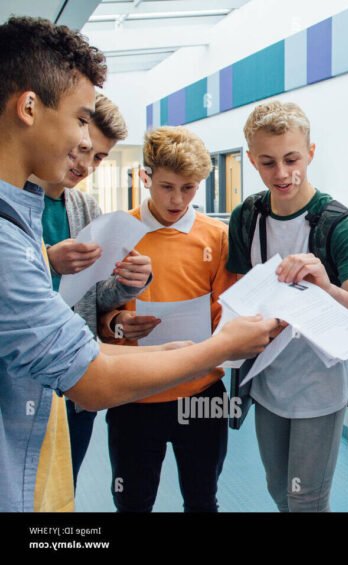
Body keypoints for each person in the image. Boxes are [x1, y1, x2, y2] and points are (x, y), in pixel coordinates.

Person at [0, 16, 280, 513]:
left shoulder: (25, 218)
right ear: (28, 107)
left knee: (201, 495)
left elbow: (77, 334)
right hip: (114, 403)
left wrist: (185, 349)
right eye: (81, 119)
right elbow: (89, 373)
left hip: (191, 392)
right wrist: (205, 345)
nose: (82, 148)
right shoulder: (18, 237)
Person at [227, 100, 348, 512]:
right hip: (267, 379)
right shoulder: (247, 217)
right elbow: (236, 292)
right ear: (251, 161)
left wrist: (326, 287)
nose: (281, 174)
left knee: (306, 500)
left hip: (320, 384)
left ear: (311, 152)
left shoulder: (339, 225)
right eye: (267, 162)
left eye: (292, 158)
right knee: (279, 491)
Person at [98, 126, 239, 512]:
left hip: (200, 395)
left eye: (189, 188)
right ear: (145, 177)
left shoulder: (217, 237)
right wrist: (115, 325)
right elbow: (91, 309)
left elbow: (227, 313)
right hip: (133, 393)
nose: (177, 199)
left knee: (202, 499)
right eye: (166, 187)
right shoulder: (115, 232)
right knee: (132, 503)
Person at [31, 92, 152, 489]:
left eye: (99, 158)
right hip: (25, 381)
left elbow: (94, 298)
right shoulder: (14, 199)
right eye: (83, 150)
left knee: (63, 490)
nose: (86, 166)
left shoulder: (85, 208)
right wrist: (49, 261)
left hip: (75, 382)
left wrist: (128, 283)